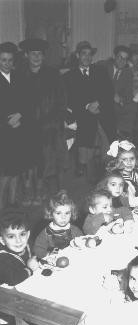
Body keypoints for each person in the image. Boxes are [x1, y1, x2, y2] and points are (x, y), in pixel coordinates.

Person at [18, 38, 69, 204]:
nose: (37, 57)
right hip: (25, 124)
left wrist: (56, 119)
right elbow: (15, 99)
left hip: (49, 124)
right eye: (33, 54)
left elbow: (62, 99)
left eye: (39, 54)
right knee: (27, 157)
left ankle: (40, 188)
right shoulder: (19, 74)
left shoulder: (53, 74)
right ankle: (27, 189)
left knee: (46, 159)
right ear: (26, 55)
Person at [63, 41, 115, 182]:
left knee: (107, 134)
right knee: (85, 131)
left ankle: (106, 165)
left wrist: (98, 102)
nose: (87, 57)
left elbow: (109, 91)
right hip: (82, 112)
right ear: (78, 55)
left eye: (89, 54)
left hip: (102, 109)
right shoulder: (69, 76)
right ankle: (82, 164)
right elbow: (70, 99)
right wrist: (87, 106)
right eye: (83, 54)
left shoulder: (100, 71)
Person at [0, 42, 29, 209]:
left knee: (16, 170)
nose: (7, 63)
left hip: (19, 130)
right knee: (4, 172)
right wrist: (6, 122)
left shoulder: (19, 77)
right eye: (3, 60)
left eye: (10, 60)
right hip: (3, 132)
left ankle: (12, 203)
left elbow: (27, 101)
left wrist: (20, 114)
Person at [33, 190, 83, 259]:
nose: (63, 217)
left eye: (67, 213)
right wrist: (47, 255)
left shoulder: (75, 230)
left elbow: (83, 242)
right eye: (58, 213)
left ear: (72, 213)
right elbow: (38, 248)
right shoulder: (47, 232)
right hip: (54, 261)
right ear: (51, 213)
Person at [100, 45, 136, 139]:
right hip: (101, 101)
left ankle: (122, 137)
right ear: (114, 57)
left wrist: (121, 100)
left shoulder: (128, 73)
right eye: (120, 57)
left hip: (116, 104)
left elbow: (128, 93)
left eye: (125, 59)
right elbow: (97, 86)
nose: (122, 61)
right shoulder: (103, 67)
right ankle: (115, 136)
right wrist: (111, 94)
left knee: (131, 107)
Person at [0, 209, 39, 286]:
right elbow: (13, 279)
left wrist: (35, 258)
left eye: (22, 234)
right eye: (11, 236)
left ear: (28, 234)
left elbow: (36, 252)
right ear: (2, 240)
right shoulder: (2, 258)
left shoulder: (28, 244)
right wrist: (30, 269)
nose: (18, 241)